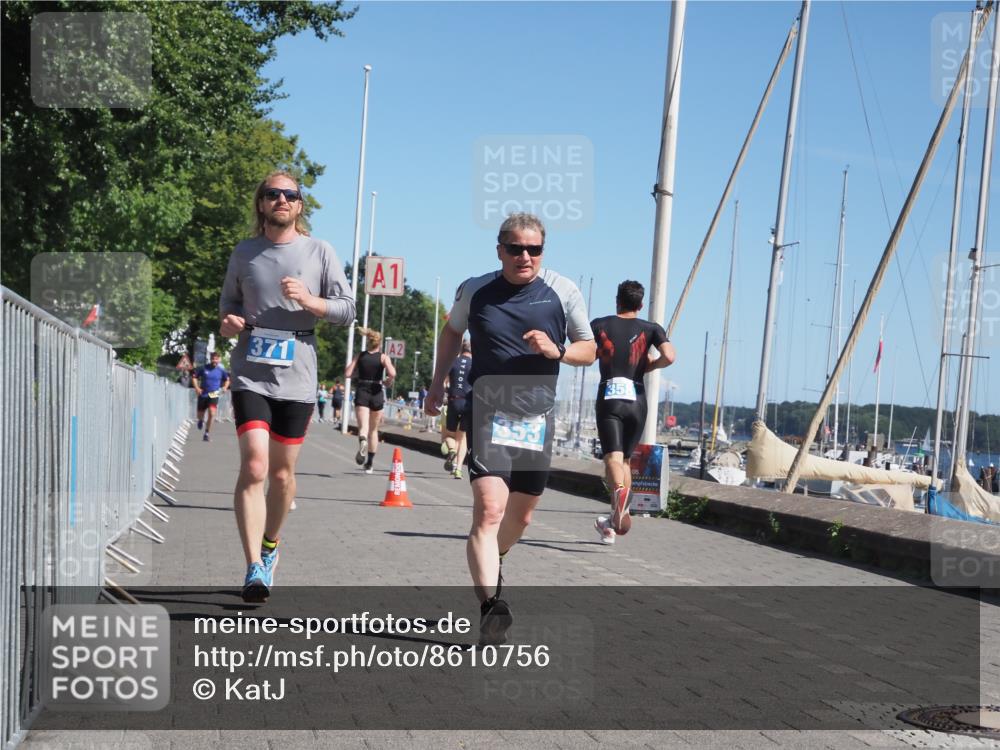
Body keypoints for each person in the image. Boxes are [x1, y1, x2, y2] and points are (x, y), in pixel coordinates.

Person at [425, 212, 595, 645]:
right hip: (488, 410)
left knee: (523, 514)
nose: (525, 256)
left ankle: (495, 557)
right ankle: (491, 607)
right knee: (490, 510)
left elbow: (589, 349)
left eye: (534, 249)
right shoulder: (476, 290)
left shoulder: (562, 290)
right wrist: (437, 381)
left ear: (543, 251)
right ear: (499, 249)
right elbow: (450, 333)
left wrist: (556, 350)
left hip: (537, 418)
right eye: (515, 248)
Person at [219, 170, 355, 603]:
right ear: (261, 204)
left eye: (290, 195)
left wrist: (311, 302)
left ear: (299, 206)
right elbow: (227, 306)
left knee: (282, 475)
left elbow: (347, 309)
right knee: (256, 466)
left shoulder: (320, 251)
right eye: (272, 194)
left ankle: (271, 544)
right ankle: (253, 568)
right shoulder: (244, 253)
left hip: (298, 373)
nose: (281, 200)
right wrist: (229, 323)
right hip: (250, 371)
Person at [590, 280, 675, 545]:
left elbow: (587, 352)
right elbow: (670, 356)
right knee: (625, 460)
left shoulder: (599, 324)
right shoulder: (651, 329)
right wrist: (650, 366)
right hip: (637, 399)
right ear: (640, 304)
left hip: (610, 396)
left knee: (612, 459)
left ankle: (618, 494)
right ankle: (619, 516)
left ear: (617, 300)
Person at [345, 327, 396, 474]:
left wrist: (358, 374)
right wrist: (388, 380)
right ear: (379, 344)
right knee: (374, 431)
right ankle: (369, 463)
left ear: (368, 342)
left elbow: (348, 373)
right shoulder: (383, 357)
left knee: (363, 428)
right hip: (377, 391)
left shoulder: (360, 356)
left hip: (362, 390)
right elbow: (392, 372)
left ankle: (362, 440)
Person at [441, 340, 473, 479]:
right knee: (463, 437)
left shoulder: (453, 361)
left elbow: (443, 382)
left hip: (454, 401)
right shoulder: (475, 364)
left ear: (461, 349)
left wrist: (445, 391)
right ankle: (458, 469)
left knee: (448, 435)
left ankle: (452, 450)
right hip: (468, 403)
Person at [193, 352, 230, 441]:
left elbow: (227, 380)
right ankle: (201, 420)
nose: (214, 360)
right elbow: (194, 377)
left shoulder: (221, 371)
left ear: (219, 360)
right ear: (210, 359)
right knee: (200, 415)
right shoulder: (203, 368)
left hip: (214, 394)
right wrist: (197, 388)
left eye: (216, 359)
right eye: (213, 358)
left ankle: (206, 433)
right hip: (203, 394)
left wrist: (225, 387)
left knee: (212, 413)